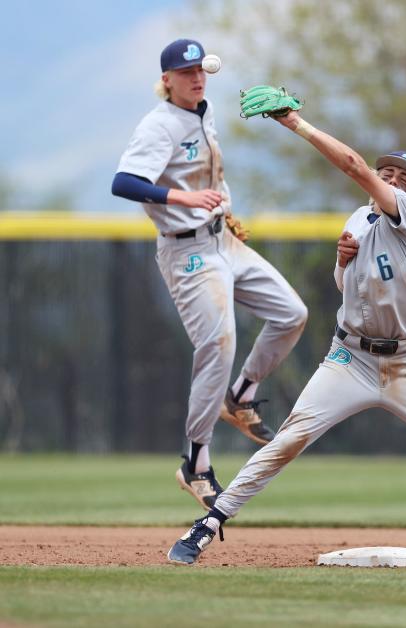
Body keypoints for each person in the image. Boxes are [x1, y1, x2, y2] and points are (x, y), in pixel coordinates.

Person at [166, 97, 406, 565]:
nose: (389, 180)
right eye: (386, 174)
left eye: (403, 179)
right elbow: (347, 287)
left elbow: (353, 166)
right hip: (350, 359)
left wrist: (296, 124)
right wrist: (342, 262)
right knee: (287, 441)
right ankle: (209, 522)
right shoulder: (358, 219)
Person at [112, 39, 308, 510]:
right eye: (185, 72)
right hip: (188, 254)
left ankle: (239, 397)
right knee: (217, 344)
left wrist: (219, 204)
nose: (196, 78)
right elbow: (123, 183)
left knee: (292, 313)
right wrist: (185, 200)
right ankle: (195, 462)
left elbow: (206, 176)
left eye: (200, 70)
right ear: (166, 80)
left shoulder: (205, 109)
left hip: (223, 240)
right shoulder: (158, 125)